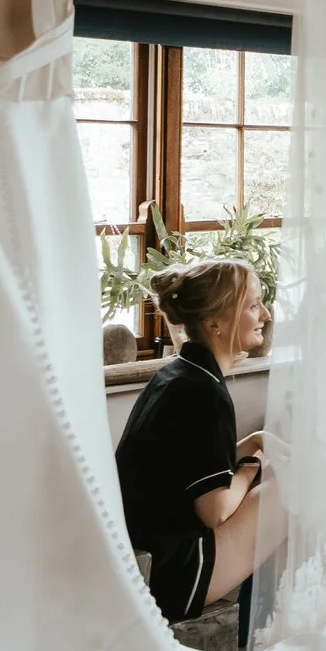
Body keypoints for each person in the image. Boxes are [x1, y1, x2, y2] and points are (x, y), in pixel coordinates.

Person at [115, 258, 269, 625]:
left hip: (142, 558)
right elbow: (215, 510)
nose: (264, 314)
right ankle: (265, 629)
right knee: (285, 493)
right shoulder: (202, 393)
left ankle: (259, 624)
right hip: (171, 578)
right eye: (252, 305)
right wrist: (252, 466)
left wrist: (253, 443)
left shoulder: (178, 374)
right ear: (214, 323)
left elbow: (184, 469)